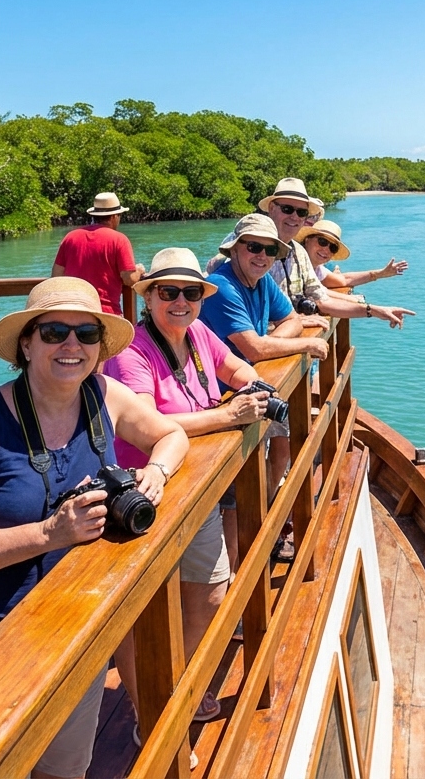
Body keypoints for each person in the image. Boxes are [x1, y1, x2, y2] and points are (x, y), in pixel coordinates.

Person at [0, 277, 187, 779]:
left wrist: (156, 472)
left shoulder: (102, 393)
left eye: (86, 334)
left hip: (74, 630)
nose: (71, 345)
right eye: (53, 332)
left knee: (64, 769)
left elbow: (172, 434)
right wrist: (50, 534)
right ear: (26, 344)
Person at [104, 248, 271, 750]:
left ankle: (174, 678)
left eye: (191, 292)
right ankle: (146, 704)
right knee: (143, 612)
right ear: (149, 296)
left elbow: (236, 366)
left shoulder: (198, 334)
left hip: (201, 486)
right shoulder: (131, 351)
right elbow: (150, 422)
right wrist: (227, 417)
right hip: (147, 491)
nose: (180, 301)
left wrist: (250, 386)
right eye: (168, 292)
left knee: (210, 591)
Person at [199, 213, 330, 509]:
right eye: (253, 247)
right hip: (220, 397)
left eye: (270, 250)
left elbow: (291, 320)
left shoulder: (261, 282)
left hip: (250, 384)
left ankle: (269, 512)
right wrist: (306, 343)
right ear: (234, 249)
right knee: (234, 497)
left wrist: (272, 344)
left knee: (276, 446)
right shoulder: (222, 287)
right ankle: (252, 536)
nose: (262, 256)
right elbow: (255, 348)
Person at [209, 178, 415, 329]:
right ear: (272, 208)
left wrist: (376, 310)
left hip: (294, 338)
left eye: (301, 212)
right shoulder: (243, 243)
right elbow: (220, 281)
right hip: (252, 345)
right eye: (288, 209)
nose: (294, 217)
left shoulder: (299, 253)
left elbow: (322, 300)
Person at [51, 192, 145, 315]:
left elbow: (56, 277)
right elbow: (130, 279)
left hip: (73, 312)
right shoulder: (119, 239)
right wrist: (139, 271)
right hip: (106, 314)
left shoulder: (70, 237)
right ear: (114, 217)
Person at [296, 219, 409, 290]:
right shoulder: (293, 262)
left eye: (333, 247)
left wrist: (381, 274)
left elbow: (344, 280)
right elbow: (322, 296)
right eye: (322, 242)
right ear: (307, 240)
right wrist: (365, 307)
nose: (326, 249)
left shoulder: (316, 269)